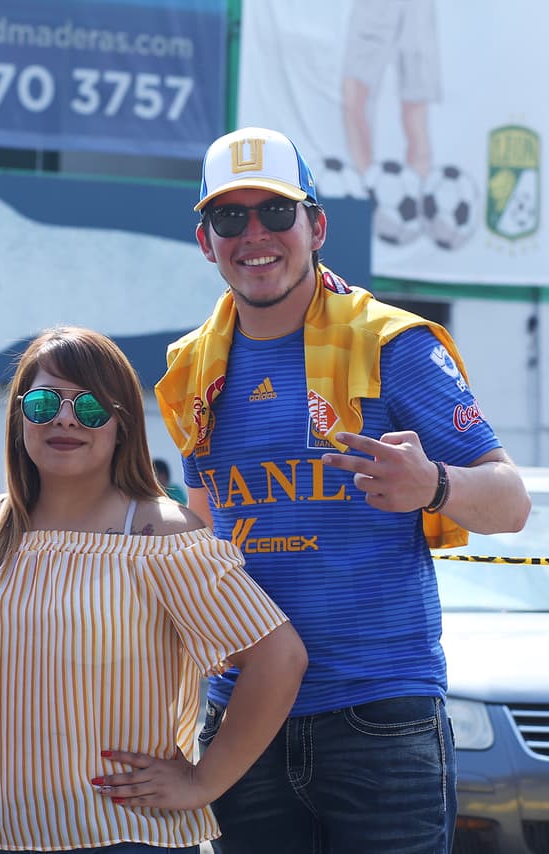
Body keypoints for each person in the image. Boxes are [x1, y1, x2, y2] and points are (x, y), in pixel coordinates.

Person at [155, 126, 531, 853]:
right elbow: (205, 534)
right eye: (230, 217)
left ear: (316, 226)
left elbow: (511, 503)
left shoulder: (395, 345)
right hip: (244, 721)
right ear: (206, 241)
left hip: (381, 716)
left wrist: (433, 485)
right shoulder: (191, 368)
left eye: (276, 212)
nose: (254, 234)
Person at [0, 327, 307, 854]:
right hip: (4, 838)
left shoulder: (160, 532)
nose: (66, 419)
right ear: (19, 414)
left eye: (91, 407)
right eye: (46, 402)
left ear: (123, 424)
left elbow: (279, 658)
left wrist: (204, 781)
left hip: (125, 837)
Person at [341, 0, 441, 180]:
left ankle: (415, 192)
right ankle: (368, 187)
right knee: (353, 98)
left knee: (415, 108)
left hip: (416, 9)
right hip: (374, 8)